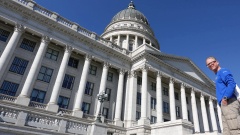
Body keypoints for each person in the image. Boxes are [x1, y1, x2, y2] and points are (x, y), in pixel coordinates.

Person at [206, 56, 240, 135]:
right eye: (208, 64)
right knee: (227, 131)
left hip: (229, 102)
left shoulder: (223, 71)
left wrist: (225, 97)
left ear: (217, 62)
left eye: (212, 62)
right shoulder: (218, 75)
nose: (211, 64)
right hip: (224, 105)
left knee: (235, 129)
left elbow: (232, 84)